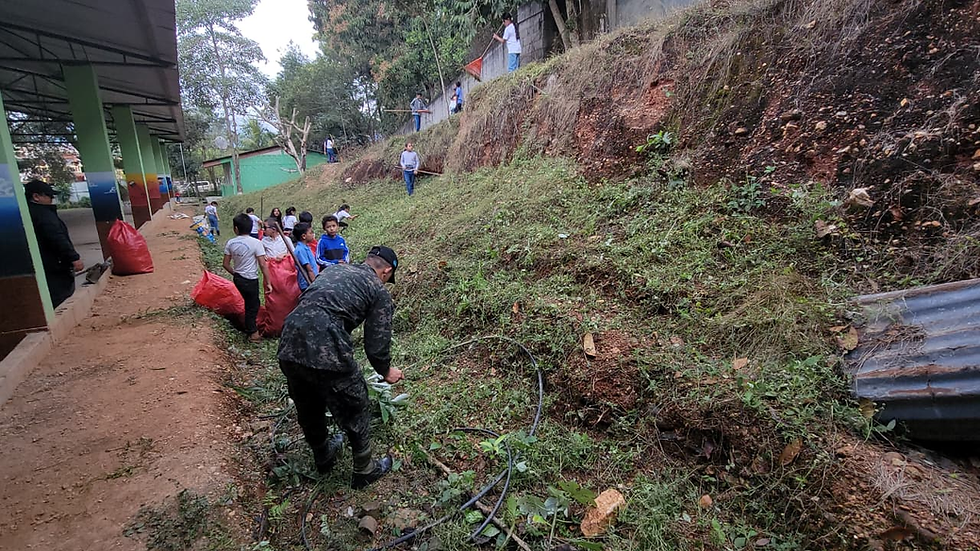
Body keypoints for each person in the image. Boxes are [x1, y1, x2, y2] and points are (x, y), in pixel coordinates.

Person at [277, 245, 403, 486]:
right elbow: (376, 342)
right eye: (388, 278)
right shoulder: (378, 290)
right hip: (325, 343)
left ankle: (323, 457)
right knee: (355, 402)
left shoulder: (335, 270)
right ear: (386, 271)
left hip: (289, 341)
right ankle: (364, 470)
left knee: (308, 402)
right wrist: (386, 371)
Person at [24, 180, 84, 307]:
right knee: (60, 296)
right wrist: (73, 258)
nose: (52, 199)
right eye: (49, 196)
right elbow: (57, 238)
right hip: (54, 264)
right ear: (36, 197)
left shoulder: (28, 213)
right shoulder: (43, 215)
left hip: (43, 264)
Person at [223, 213, 272, 342]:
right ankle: (253, 333)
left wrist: (235, 273)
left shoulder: (230, 243)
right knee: (253, 305)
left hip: (238, 278)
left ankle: (247, 325)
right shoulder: (256, 243)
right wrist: (268, 282)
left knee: (247, 303)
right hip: (251, 279)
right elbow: (262, 264)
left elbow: (225, 264)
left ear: (236, 229)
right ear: (251, 228)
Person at [291, 223, 319, 291]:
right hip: (308, 283)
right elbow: (309, 269)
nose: (313, 234)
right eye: (311, 233)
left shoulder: (306, 247)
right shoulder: (300, 250)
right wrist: (314, 283)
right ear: (304, 236)